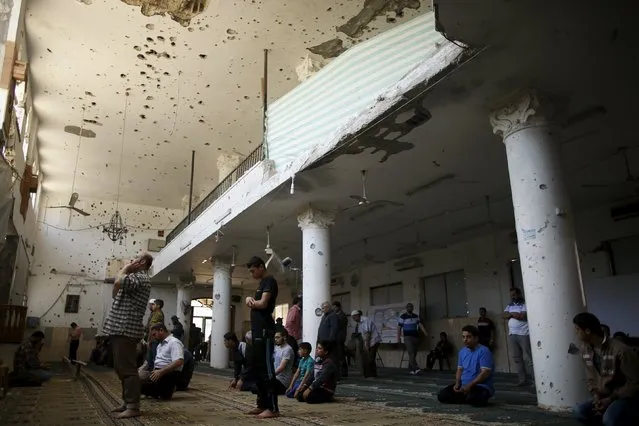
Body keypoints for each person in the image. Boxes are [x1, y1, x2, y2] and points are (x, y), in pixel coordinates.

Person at [103, 253, 153, 419]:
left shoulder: (141, 278)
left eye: (134, 259)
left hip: (126, 329)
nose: (130, 262)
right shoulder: (133, 279)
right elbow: (115, 293)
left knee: (128, 369)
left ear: (142, 262)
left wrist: (125, 268)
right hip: (119, 328)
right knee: (121, 368)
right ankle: (127, 402)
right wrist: (126, 271)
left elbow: (118, 281)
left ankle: (133, 406)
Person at [572, 312, 639, 425]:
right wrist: (596, 395)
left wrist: (611, 399)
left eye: (577, 329)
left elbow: (635, 383)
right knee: (579, 411)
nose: (575, 333)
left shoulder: (621, 351)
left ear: (587, 331)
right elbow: (591, 377)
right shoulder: (585, 349)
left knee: (610, 420)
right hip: (603, 395)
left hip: (625, 397)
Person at [245, 256, 280, 419]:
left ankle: (273, 408)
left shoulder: (269, 281)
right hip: (258, 332)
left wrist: (250, 301)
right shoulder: (262, 283)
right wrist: (249, 299)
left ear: (261, 267)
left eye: (253, 270)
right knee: (258, 370)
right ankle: (262, 404)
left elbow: (263, 304)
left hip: (266, 332)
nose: (252, 274)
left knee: (267, 370)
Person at [437, 325, 494, 407]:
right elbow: (459, 370)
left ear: (476, 338)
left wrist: (470, 386)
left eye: (468, 337)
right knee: (442, 395)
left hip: (479, 386)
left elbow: (485, 373)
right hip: (463, 386)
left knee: (477, 398)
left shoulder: (484, 351)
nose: (465, 340)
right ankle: (465, 396)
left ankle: (467, 397)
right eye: (463, 337)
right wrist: (457, 384)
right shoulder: (462, 352)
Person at [140, 323, 185, 400]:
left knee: (136, 384)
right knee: (133, 378)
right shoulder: (160, 345)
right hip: (158, 373)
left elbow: (179, 361)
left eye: (154, 334)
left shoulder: (174, 342)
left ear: (161, 330)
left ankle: (166, 390)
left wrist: (161, 372)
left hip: (168, 374)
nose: (153, 337)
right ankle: (161, 391)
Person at [503, 287, 534, 386]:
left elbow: (523, 316)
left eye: (514, 295)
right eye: (511, 295)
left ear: (519, 294)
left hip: (523, 334)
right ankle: (522, 380)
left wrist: (511, 315)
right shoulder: (510, 304)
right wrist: (513, 314)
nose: (513, 297)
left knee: (529, 357)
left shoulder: (525, 303)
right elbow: (503, 315)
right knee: (517, 358)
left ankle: (535, 380)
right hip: (512, 334)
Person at [397, 303, 427, 375]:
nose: (410, 308)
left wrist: (425, 332)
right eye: (408, 307)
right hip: (407, 337)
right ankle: (416, 368)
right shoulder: (403, 317)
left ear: (413, 308)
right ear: (406, 308)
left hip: (415, 337)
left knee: (414, 354)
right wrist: (398, 338)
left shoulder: (416, 316)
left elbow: (420, 325)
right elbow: (399, 328)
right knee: (411, 352)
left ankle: (411, 368)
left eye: (411, 307)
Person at [351, 310, 382, 378]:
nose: (353, 319)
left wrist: (366, 345)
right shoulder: (359, 322)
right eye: (352, 317)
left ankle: (372, 375)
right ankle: (367, 375)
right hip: (368, 341)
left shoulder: (365, 320)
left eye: (354, 317)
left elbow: (367, 333)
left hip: (374, 341)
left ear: (358, 316)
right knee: (366, 358)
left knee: (370, 358)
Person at [273, 329, 295, 395]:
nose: (276, 339)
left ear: (284, 337)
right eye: (275, 338)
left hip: (282, 382)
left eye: (278, 337)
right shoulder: (276, 347)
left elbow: (281, 367)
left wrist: (271, 376)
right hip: (275, 378)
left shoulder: (288, 349)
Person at [332, 301, 349, 378]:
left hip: (340, 337)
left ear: (338, 307)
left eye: (335, 307)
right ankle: (339, 371)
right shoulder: (336, 315)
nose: (334, 309)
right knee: (337, 355)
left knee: (341, 355)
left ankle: (344, 372)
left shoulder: (342, 316)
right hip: (336, 338)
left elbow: (338, 326)